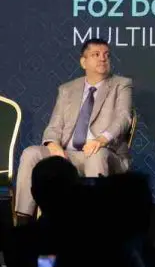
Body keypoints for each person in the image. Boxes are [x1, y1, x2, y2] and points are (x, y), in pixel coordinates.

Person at [14, 38, 133, 222]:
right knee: (31, 153)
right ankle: (24, 220)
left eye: (106, 55)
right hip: (68, 154)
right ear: (83, 62)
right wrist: (53, 145)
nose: (103, 58)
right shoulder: (67, 89)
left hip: (105, 152)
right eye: (96, 54)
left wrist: (100, 140)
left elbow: (123, 118)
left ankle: (94, 223)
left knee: (96, 154)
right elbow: (54, 125)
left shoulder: (121, 84)